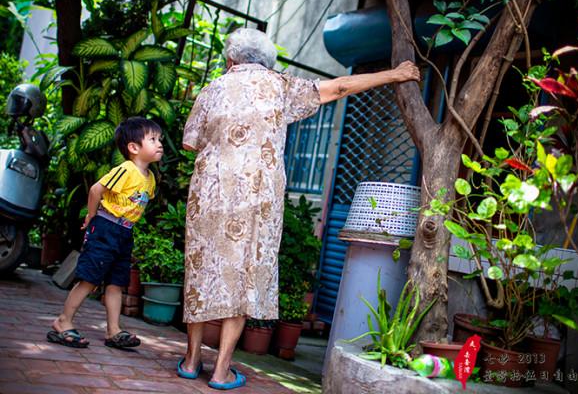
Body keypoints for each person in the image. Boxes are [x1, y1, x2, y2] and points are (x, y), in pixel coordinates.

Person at [179, 28, 420, 389]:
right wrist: (395, 74)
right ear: (267, 60)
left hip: (209, 196)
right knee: (245, 278)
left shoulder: (211, 89)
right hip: (256, 201)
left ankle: (192, 359)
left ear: (231, 60)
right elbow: (338, 88)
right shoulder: (279, 85)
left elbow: (190, 144)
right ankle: (221, 370)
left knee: (201, 271)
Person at [47, 117, 163, 349]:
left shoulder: (150, 179)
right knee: (90, 278)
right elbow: (96, 189)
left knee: (116, 283)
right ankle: (63, 321)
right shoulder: (126, 170)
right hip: (105, 228)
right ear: (133, 148)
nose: (160, 144)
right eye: (153, 139)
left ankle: (113, 330)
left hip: (124, 233)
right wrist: (91, 216)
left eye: (160, 139)